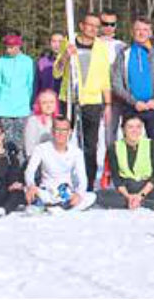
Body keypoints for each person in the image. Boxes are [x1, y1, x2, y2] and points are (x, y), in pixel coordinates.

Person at [61, 14, 114, 190]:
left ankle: (89, 184)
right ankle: (62, 182)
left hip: (92, 102)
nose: (93, 29)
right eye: (89, 25)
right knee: (63, 142)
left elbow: (105, 78)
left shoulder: (101, 47)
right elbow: (57, 71)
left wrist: (107, 105)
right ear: (81, 25)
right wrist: (66, 57)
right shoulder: (68, 42)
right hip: (69, 99)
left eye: (96, 26)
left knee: (90, 145)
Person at [96, 116, 154, 215]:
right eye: (130, 127)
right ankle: (150, 204)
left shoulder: (152, 145)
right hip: (127, 189)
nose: (135, 131)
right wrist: (129, 197)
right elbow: (117, 179)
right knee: (100, 195)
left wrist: (140, 196)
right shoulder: (114, 148)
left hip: (148, 188)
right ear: (123, 129)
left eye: (138, 127)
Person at [110, 16, 154, 140]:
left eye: (145, 29)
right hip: (132, 107)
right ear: (132, 32)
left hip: (153, 107)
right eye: (138, 29)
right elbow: (116, 83)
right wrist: (133, 102)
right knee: (131, 146)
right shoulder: (124, 54)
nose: (141, 32)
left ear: (150, 33)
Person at [25, 117, 96, 211]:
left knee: (91, 196)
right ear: (52, 131)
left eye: (64, 130)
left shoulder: (76, 152)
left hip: (66, 193)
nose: (61, 133)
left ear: (70, 131)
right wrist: (31, 185)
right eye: (57, 129)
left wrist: (79, 194)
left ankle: (56, 207)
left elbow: (82, 178)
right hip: (47, 192)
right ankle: (59, 207)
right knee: (27, 191)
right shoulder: (41, 149)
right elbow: (29, 172)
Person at [0, 31, 35, 162]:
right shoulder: (1, 62)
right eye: (7, 47)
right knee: (7, 144)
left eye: (12, 47)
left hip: (22, 110)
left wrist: (30, 107)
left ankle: (20, 173)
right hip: (4, 110)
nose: (8, 50)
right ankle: (7, 171)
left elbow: (30, 86)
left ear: (18, 46)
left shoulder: (27, 61)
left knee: (21, 144)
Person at [24, 89, 61, 159]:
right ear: (39, 104)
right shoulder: (33, 121)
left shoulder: (60, 120)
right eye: (44, 103)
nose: (49, 105)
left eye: (51, 102)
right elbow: (29, 149)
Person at [35, 32, 66, 101]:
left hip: (64, 101)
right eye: (54, 41)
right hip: (46, 101)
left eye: (60, 41)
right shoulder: (43, 61)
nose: (57, 45)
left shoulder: (70, 61)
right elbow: (37, 84)